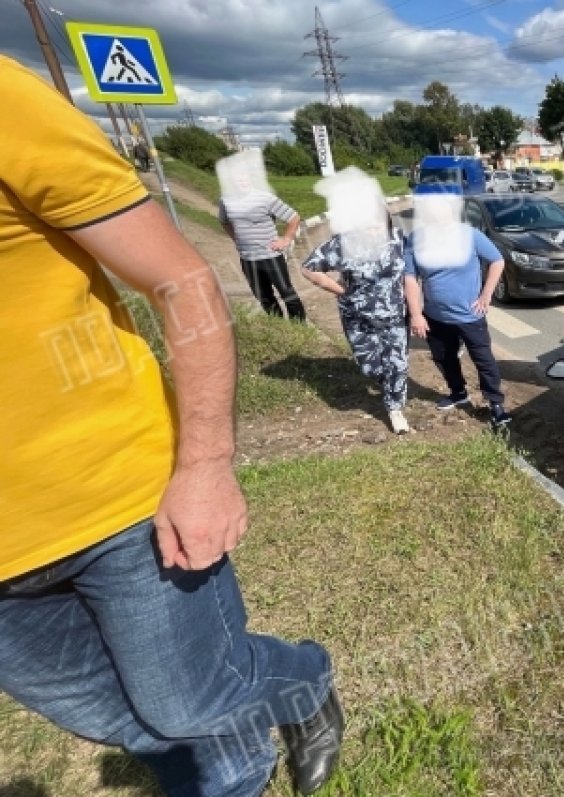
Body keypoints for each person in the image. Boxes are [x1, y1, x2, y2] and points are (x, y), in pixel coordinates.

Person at [0, 57, 342, 797]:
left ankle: (305, 685)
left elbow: (180, 279)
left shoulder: (5, 100)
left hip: (115, 495)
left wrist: (206, 465)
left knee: (189, 699)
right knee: (121, 719)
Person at [301, 205, 411, 435]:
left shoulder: (400, 240)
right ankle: (387, 383)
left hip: (395, 316)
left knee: (398, 364)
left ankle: (395, 408)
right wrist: (339, 290)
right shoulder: (344, 244)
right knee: (370, 367)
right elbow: (309, 268)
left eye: (378, 226)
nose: (373, 232)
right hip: (357, 316)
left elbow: (415, 270)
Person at [403, 197, 512, 429]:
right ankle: (458, 392)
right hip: (435, 316)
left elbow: (497, 261)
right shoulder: (415, 240)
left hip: (470, 316)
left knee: (483, 360)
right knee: (444, 358)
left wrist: (486, 294)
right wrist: (416, 314)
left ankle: (495, 404)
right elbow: (410, 278)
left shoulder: (470, 235)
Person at [218, 183, 308, 322]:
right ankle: (279, 326)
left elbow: (294, 217)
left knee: (286, 292)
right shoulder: (226, 200)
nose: (241, 180)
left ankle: (299, 327)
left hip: (271, 256)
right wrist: (236, 238)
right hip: (247, 258)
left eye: (244, 175)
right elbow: (224, 221)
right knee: (263, 296)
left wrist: (286, 239)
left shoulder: (265, 198)